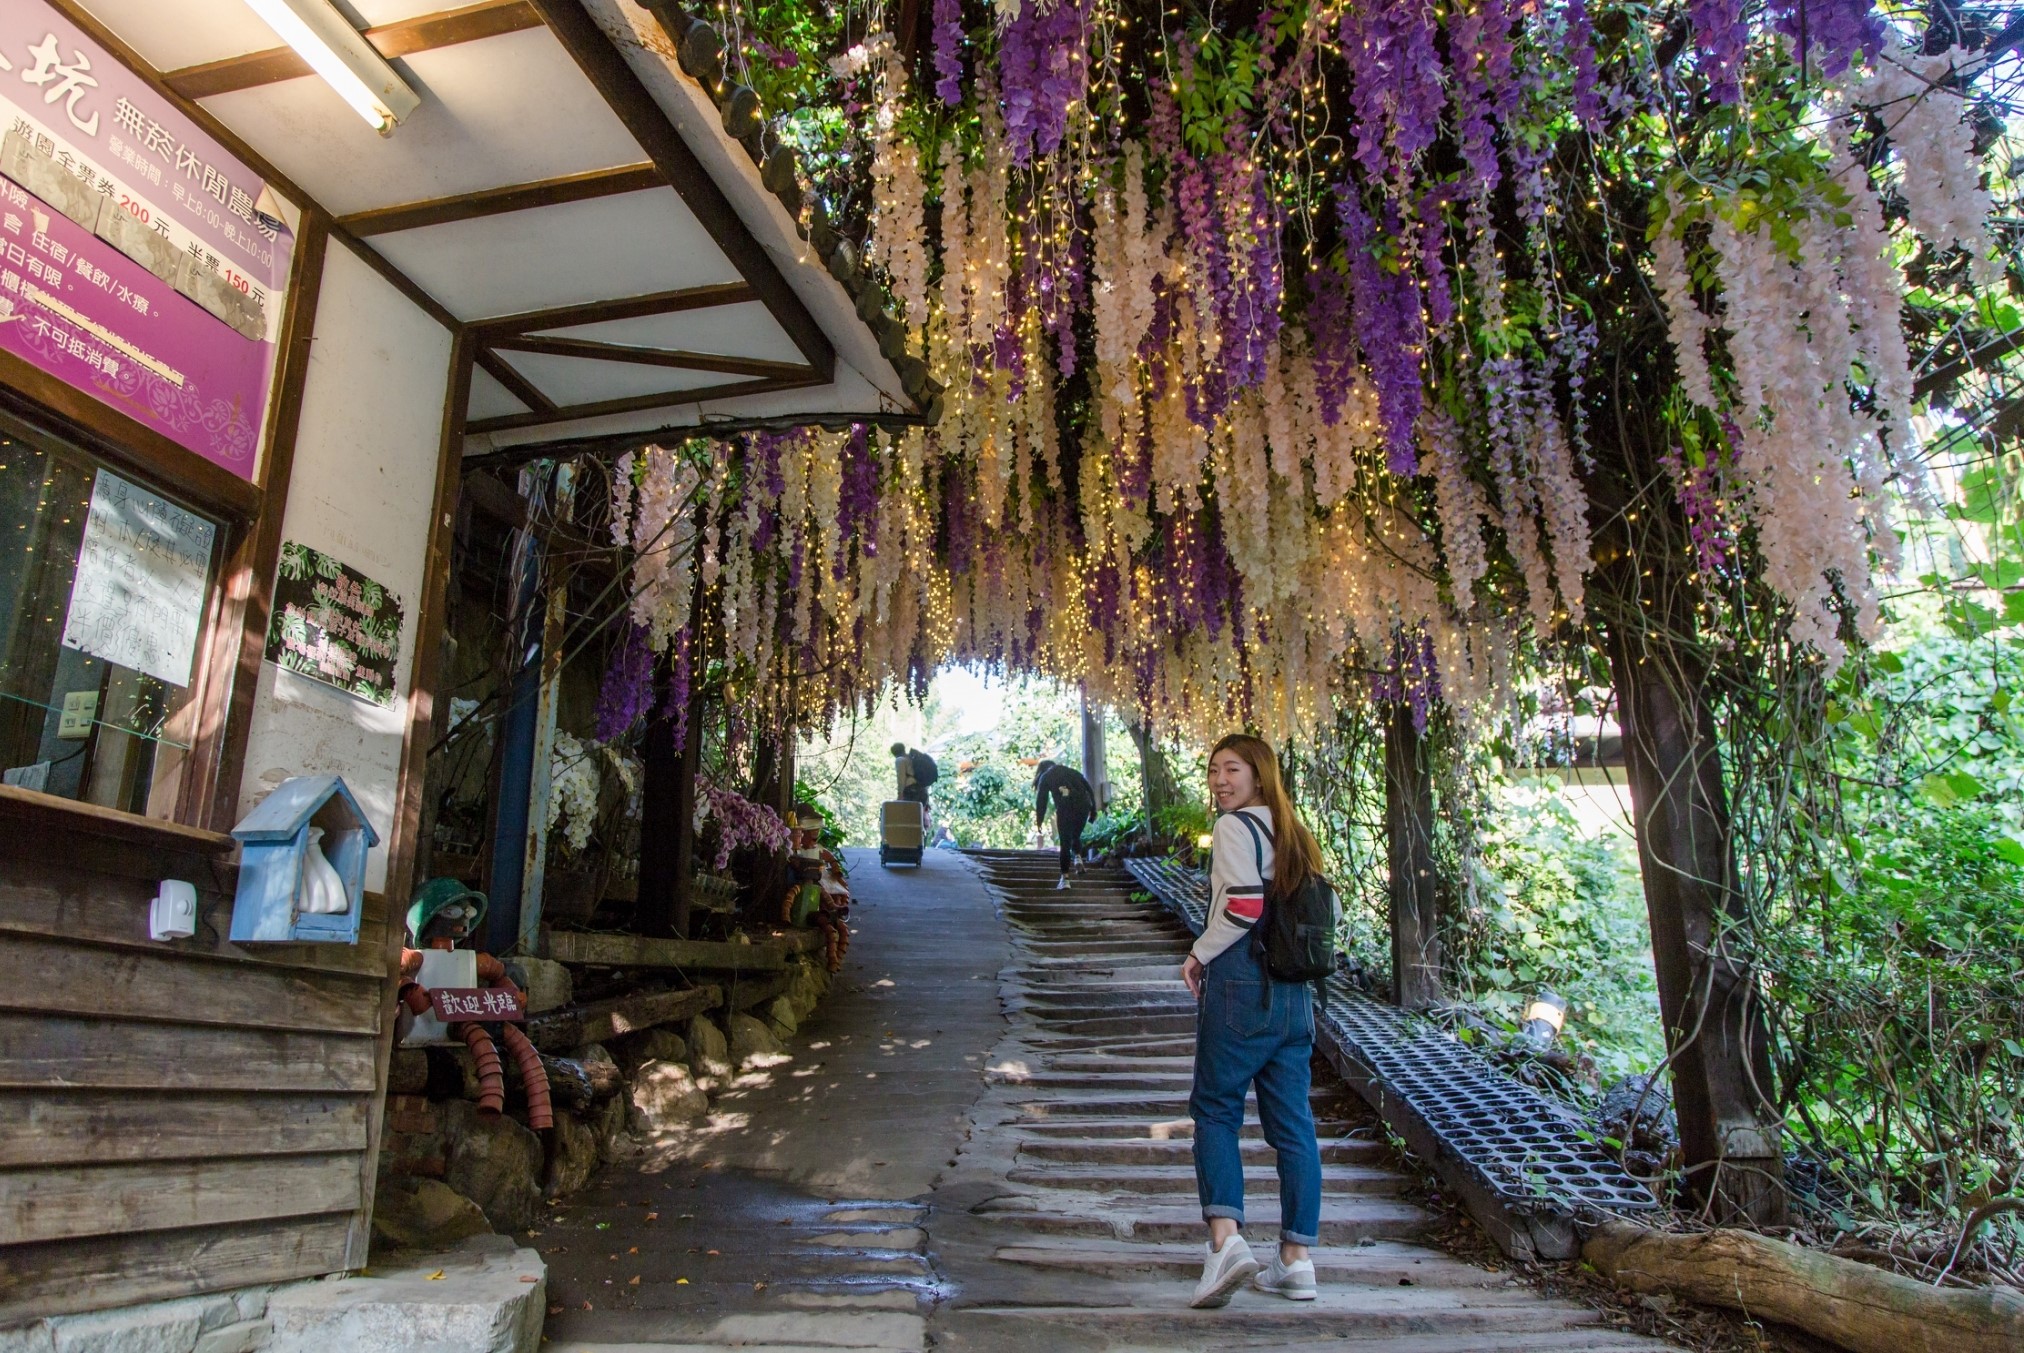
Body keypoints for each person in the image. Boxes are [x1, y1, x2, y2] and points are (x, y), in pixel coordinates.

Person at [1181, 733, 1326, 1308]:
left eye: (1232, 769)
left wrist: (1198, 953)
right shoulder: (1293, 831)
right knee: (1293, 1125)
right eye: (1214, 770)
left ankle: (1225, 1242)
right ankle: (1296, 1261)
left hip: (1242, 985)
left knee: (1214, 1109)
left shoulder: (1233, 828)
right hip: (1294, 995)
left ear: (1260, 776)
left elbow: (1242, 905)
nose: (1220, 780)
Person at [1032, 759, 1097, 890]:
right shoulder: (1072, 771)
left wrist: (1039, 820)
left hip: (1065, 807)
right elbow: (1088, 788)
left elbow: (1041, 801)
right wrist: (1093, 809)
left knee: (1065, 843)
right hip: (1083, 805)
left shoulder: (1046, 776)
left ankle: (1065, 879)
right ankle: (1078, 858)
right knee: (1076, 835)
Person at [891, 742, 935, 816]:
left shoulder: (900, 760)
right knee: (917, 820)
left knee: (908, 819)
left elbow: (901, 779)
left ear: (894, 753)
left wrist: (900, 796)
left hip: (911, 792)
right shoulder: (912, 758)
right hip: (922, 792)